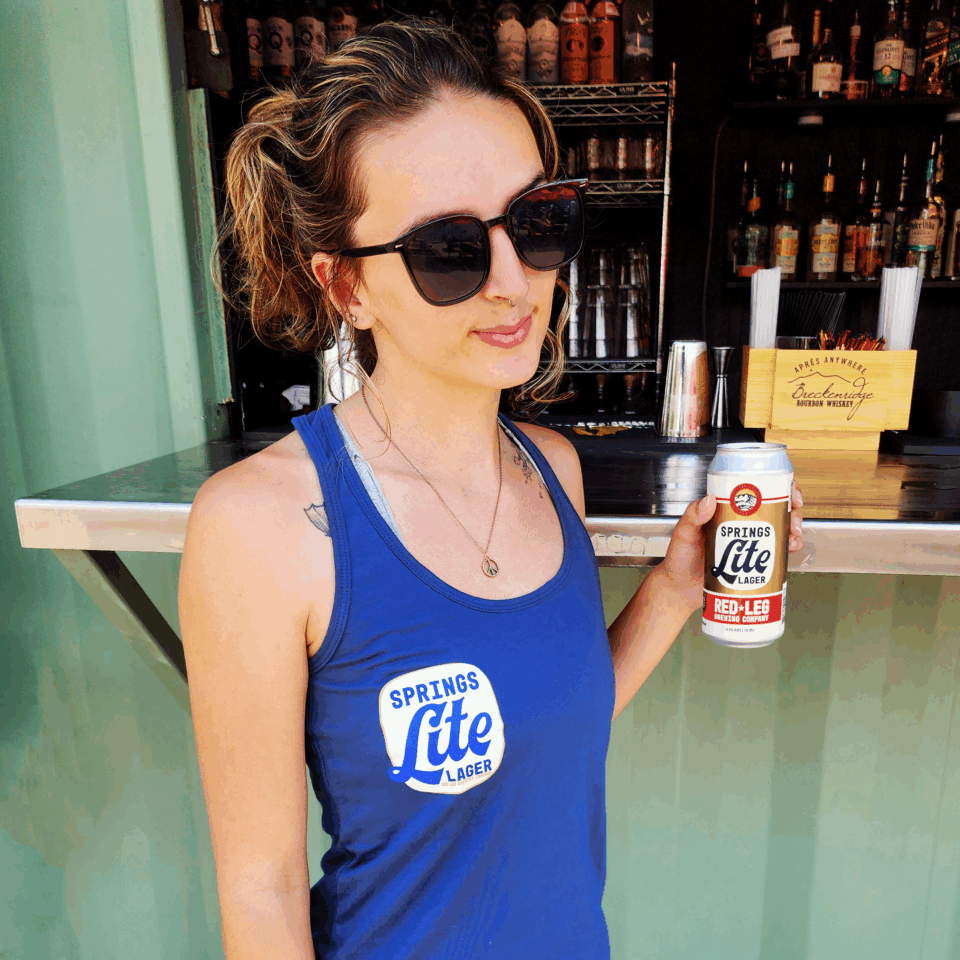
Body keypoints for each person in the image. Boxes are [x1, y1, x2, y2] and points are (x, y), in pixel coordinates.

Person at [178, 18, 805, 960]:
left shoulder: (552, 468)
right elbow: (261, 895)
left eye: (539, 223)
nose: (514, 283)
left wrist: (675, 592)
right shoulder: (260, 528)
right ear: (346, 288)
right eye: (449, 249)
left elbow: (535, 734)